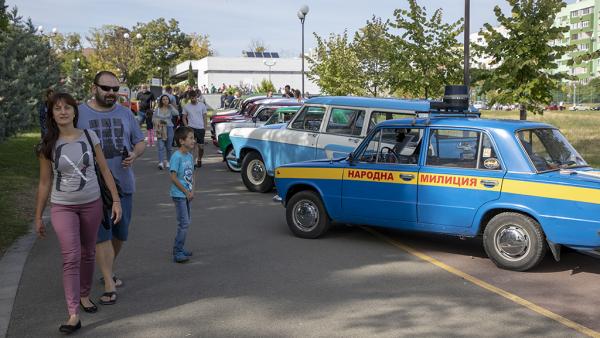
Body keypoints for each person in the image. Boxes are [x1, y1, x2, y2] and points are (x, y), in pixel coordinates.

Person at [34, 92, 122, 334]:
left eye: (67, 107)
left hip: (91, 203)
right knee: (71, 256)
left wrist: (115, 200)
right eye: (58, 108)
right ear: (51, 114)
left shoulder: (88, 136)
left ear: (74, 111)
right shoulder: (47, 145)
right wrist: (38, 215)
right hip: (62, 206)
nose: (63, 111)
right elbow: (44, 182)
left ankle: (84, 295)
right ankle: (73, 313)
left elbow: (104, 170)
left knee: (87, 253)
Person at [77, 71, 145, 306]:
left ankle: (108, 267)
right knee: (101, 235)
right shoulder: (79, 113)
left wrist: (134, 154)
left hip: (123, 183)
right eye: (106, 88)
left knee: (120, 233)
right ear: (93, 87)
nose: (111, 93)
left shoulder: (126, 113)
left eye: (115, 90)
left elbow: (140, 141)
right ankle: (108, 281)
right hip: (93, 187)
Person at [169, 126, 196, 263]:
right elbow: (173, 177)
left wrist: (192, 190)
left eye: (193, 138)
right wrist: (185, 192)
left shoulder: (190, 156)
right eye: (190, 138)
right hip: (179, 195)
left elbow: (192, 174)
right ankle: (177, 251)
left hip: (187, 195)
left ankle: (180, 247)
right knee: (184, 223)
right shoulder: (176, 156)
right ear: (181, 141)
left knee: (186, 222)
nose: (193, 140)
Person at [182, 91, 208, 167]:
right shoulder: (186, 106)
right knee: (191, 145)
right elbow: (183, 117)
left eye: (194, 97)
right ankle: (192, 162)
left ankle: (199, 159)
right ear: (189, 98)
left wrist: (205, 127)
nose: (193, 99)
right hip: (191, 128)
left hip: (200, 128)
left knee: (201, 146)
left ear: (197, 96)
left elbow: (205, 116)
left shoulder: (202, 105)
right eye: (191, 98)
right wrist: (186, 126)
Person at [154, 94, 179, 170]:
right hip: (160, 129)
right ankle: (161, 162)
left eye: (167, 99)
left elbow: (177, 113)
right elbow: (153, 118)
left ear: (169, 100)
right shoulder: (157, 109)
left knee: (169, 147)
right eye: (164, 99)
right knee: (161, 146)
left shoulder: (170, 108)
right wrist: (158, 122)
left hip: (169, 128)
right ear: (161, 101)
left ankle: (168, 162)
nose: (165, 100)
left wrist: (171, 106)